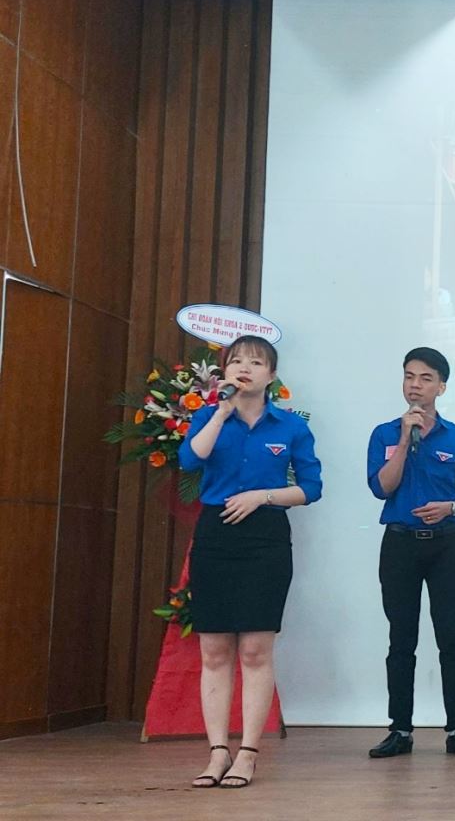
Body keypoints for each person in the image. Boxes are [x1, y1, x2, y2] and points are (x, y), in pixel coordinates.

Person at [178, 335, 323, 789]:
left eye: (256, 362)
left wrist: (262, 496)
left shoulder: (290, 426)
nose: (245, 368)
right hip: (215, 533)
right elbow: (189, 460)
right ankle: (217, 751)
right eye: (237, 361)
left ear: (271, 376)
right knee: (214, 649)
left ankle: (248, 753)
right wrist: (220, 413)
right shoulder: (209, 416)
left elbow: (311, 488)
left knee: (256, 651)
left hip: (265, 538)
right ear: (225, 371)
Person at [365, 348, 455, 760]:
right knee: (401, 639)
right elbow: (381, 487)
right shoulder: (385, 434)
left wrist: (450, 507)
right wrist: (404, 439)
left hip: (445, 545)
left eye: (425, 378)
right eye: (409, 376)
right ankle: (400, 730)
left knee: (452, 638)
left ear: (441, 387)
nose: (415, 385)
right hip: (399, 544)